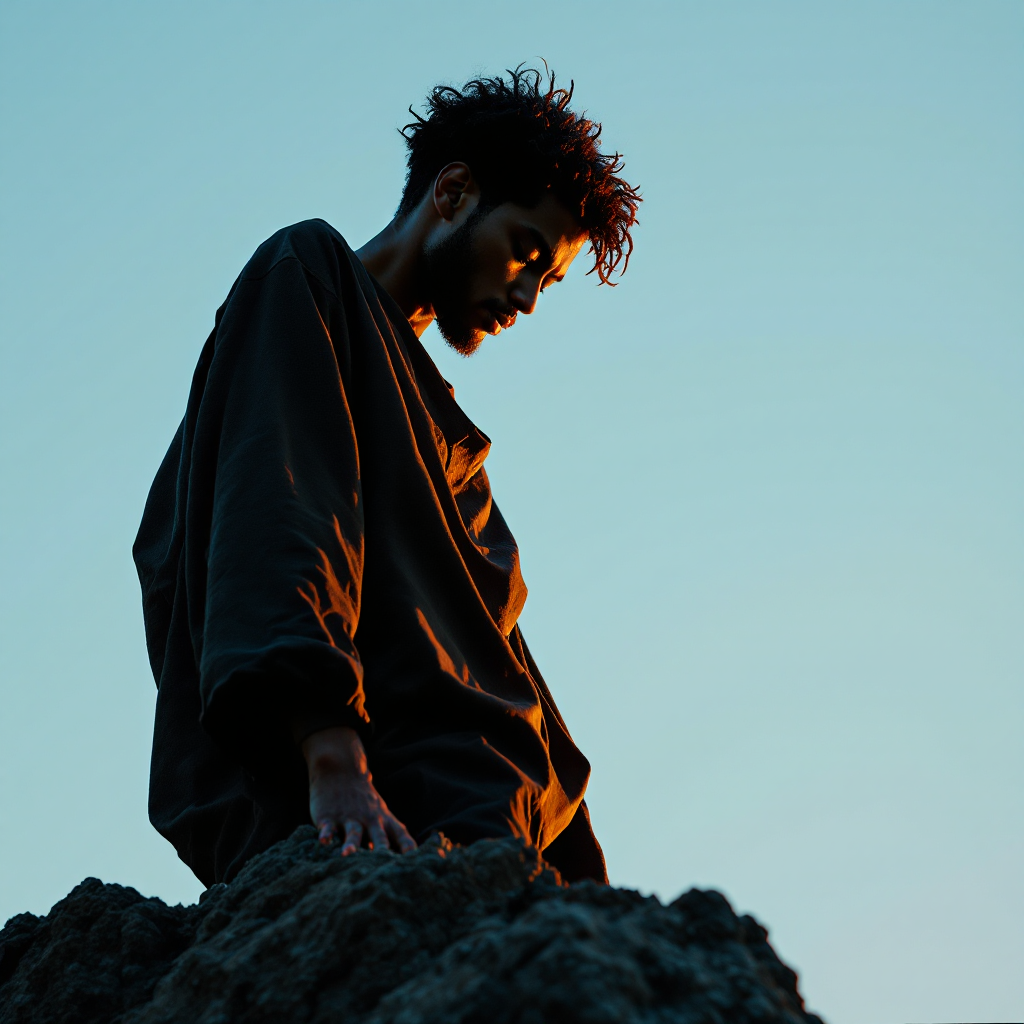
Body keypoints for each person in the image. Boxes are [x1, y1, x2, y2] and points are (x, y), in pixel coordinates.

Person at [133, 67, 640, 887]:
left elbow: (498, 662)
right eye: (525, 253)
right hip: (383, 829)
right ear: (454, 192)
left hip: (499, 841)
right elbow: (280, 507)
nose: (528, 296)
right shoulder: (308, 276)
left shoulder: (447, 432)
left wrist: (582, 883)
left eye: (545, 280)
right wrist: (330, 751)